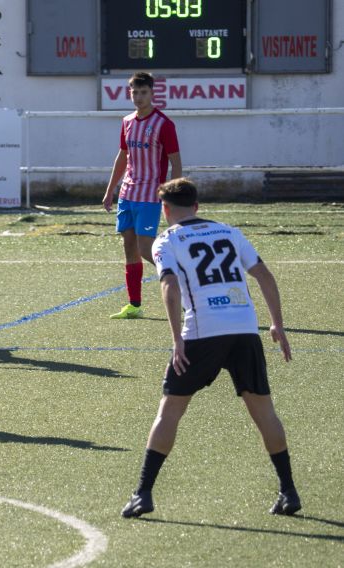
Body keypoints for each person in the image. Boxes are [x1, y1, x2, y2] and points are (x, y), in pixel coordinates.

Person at [121, 178, 300, 518]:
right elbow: (263, 274)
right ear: (197, 206)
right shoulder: (230, 232)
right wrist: (277, 324)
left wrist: (177, 340)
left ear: (165, 209)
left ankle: (143, 493)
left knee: (170, 411)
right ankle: (289, 490)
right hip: (245, 329)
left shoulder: (167, 240)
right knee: (265, 412)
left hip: (202, 332)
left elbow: (170, 287)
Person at [102, 71, 182, 319]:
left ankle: (182, 280)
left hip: (150, 195)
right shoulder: (126, 121)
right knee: (129, 248)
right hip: (127, 193)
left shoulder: (164, 124)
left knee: (147, 249)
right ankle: (134, 304)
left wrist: (173, 195)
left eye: (143, 92)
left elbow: (175, 163)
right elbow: (122, 158)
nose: (138, 96)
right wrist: (110, 191)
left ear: (152, 93)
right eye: (134, 92)